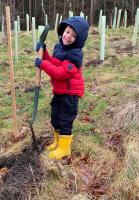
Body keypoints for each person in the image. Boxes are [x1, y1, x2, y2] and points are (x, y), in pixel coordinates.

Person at [35, 16, 89, 160]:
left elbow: (60, 73)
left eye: (74, 35)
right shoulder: (60, 47)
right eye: (67, 32)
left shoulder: (75, 54)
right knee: (55, 118)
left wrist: (42, 64)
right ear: (62, 31)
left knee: (65, 120)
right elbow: (54, 63)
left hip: (70, 93)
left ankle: (65, 149)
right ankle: (58, 142)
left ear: (79, 39)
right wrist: (43, 52)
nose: (68, 36)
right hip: (59, 91)